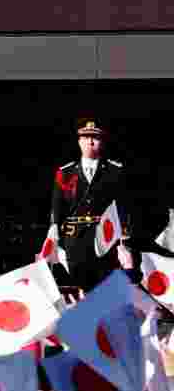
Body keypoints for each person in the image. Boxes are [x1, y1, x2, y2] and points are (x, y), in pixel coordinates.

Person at [50, 119, 127, 289]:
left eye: (95, 137)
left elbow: (122, 204)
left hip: (105, 235)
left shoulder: (115, 171)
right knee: (79, 286)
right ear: (79, 141)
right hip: (75, 238)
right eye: (86, 137)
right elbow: (57, 205)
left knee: (105, 285)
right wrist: (54, 227)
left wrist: (124, 233)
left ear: (102, 141)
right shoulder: (65, 172)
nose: (90, 141)